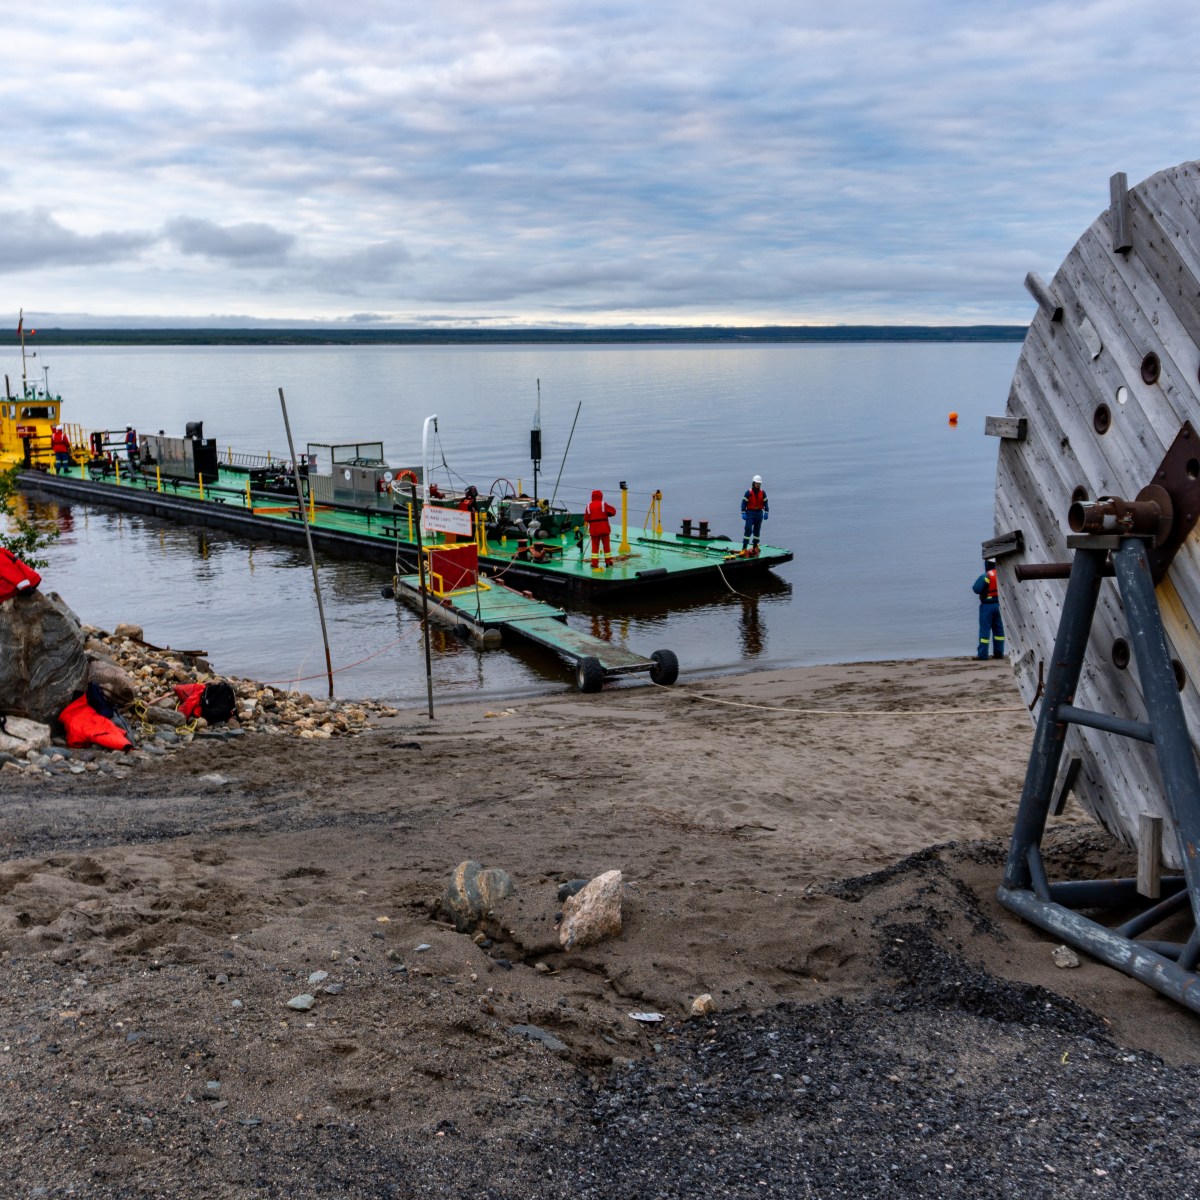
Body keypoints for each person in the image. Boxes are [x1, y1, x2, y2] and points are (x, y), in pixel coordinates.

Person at [973, 558, 1006, 659]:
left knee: (985, 630)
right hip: (999, 606)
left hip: (987, 606)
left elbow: (976, 589)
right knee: (999, 631)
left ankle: (982, 655)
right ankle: (999, 653)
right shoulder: (1003, 575)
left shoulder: (986, 576)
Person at [584, 488, 617, 571]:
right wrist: (606, 514)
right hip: (604, 529)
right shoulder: (603, 504)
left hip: (594, 530)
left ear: (592, 496)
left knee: (595, 547)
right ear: (601, 496)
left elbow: (586, 518)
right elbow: (613, 511)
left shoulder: (588, 506)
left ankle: (594, 563)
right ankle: (608, 561)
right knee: (606, 546)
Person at [740, 475, 769, 556]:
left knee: (757, 530)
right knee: (748, 529)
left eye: (759, 483)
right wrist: (743, 512)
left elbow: (766, 502)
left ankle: (755, 545)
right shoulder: (748, 492)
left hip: (759, 513)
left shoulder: (762, 493)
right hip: (750, 513)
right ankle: (744, 547)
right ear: (753, 483)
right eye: (757, 483)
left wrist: (766, 512)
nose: (758, 485)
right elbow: (744, 503)